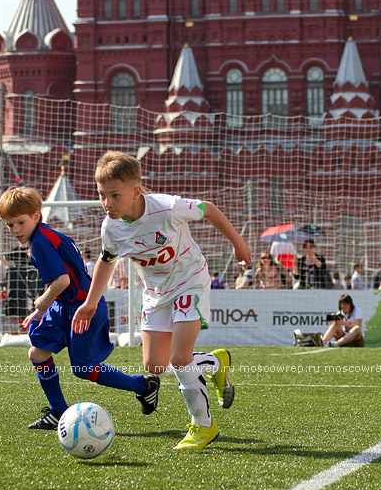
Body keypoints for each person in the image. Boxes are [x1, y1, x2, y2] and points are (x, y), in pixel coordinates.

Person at [72, 150, 252, 451]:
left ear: (136, 190)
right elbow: (107, 260)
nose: (107, 203)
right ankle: (214, 363)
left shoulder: (167, 208)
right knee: (155, 365)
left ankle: (203, 426)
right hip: (155, 292)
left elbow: (208, 209)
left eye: (115, 195)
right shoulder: (111, 227)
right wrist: (91, 302)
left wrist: (239, 244)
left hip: (189, 280)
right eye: (102, 195)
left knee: (180, 358)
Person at [0, 185, 160, 430]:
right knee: (38, 353)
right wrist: (42, 310)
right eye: (10, 225)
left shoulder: (40, 242)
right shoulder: (44, 235)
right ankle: (58, 411)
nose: (15, 230)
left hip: (83, 309)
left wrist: (42, 301)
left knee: (83, 369)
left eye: (20, 223)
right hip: (66, 306)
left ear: (35, 216)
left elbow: (62, 281)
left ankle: (143, 386)